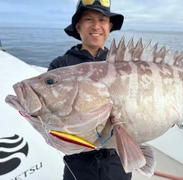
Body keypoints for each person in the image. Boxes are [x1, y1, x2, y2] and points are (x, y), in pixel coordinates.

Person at [48, 0, 132, 180]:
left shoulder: (123, 64)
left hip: (119, 161)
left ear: (109, 26)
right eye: (88, 19)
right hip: (78, 164)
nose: (96, 26)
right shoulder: (60, 66)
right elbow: (53, 117)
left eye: (102, 20)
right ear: (78, 26)